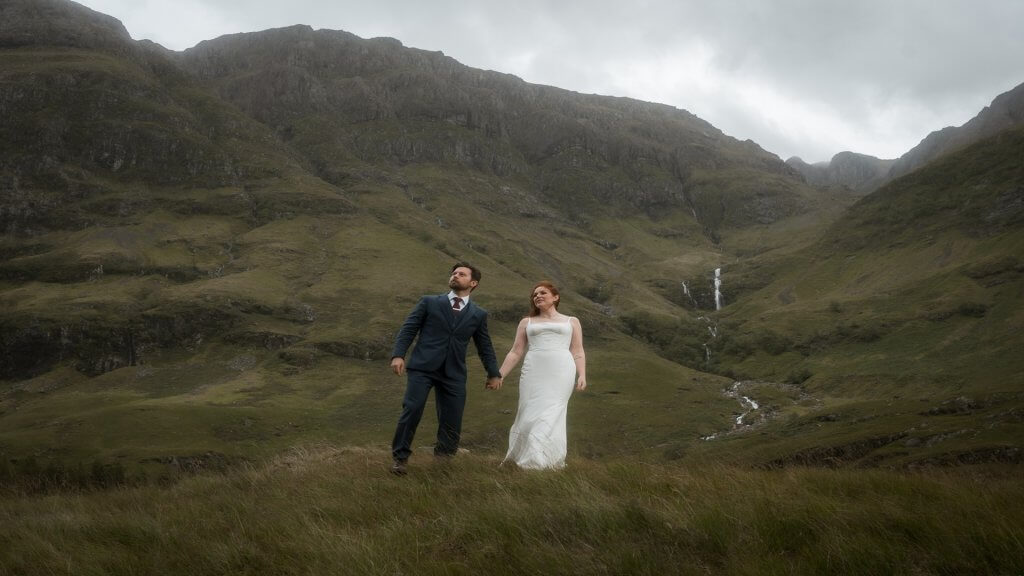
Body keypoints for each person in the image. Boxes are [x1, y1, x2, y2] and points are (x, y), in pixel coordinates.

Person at [389, 262, 503, 475]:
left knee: (452, 419)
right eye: (454, 273)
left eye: (461, 274)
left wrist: (493, 372)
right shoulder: (429, 302)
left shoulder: (478, 314)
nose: (455, 275)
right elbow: (409, 328)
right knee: (412, 409)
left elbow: (484, 345)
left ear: (473, 283)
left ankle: (443, 464)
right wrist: (398, 355)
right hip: (422, 367)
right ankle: (400, 459)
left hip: (454, 373)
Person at [498, 281, 587, 469]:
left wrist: (582, 375)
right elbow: (515, 351)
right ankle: (524, 456)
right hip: (534, 370)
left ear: (555, 297)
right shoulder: (527, 322)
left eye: (543, 293)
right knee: (529, 412)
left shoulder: (571, 321)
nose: (537, 296)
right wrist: (500, 374)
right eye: (534, 294)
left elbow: (578, 351)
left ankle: (540, 460)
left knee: (552, 412)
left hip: (561, 370)